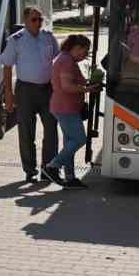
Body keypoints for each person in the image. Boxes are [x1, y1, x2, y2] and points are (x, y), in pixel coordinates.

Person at [1, 6, 59, 183]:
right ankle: (30, 169)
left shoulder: (49, 37)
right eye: (34, 20)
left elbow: (58, 61)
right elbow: (7, 66)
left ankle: (49, 169)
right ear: (25, 21)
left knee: (51, 130)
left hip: (48, 90)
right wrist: (9, 95)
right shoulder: (16, 40)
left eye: (40, 19)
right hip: (25, 90)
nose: (38, 23)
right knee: (26, 131)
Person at [42, 35, 98, 187]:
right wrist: (87, 88)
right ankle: (52, 166)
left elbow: (70, 82)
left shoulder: (66, 59)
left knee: (69, 143)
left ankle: (70, 176)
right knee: (79, 139)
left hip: (65, 107)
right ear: (76, 48)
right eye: (84, 51)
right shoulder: (66, 61)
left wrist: (86, 83)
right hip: (65, 108)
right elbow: (67, 86)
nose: (85, 55)